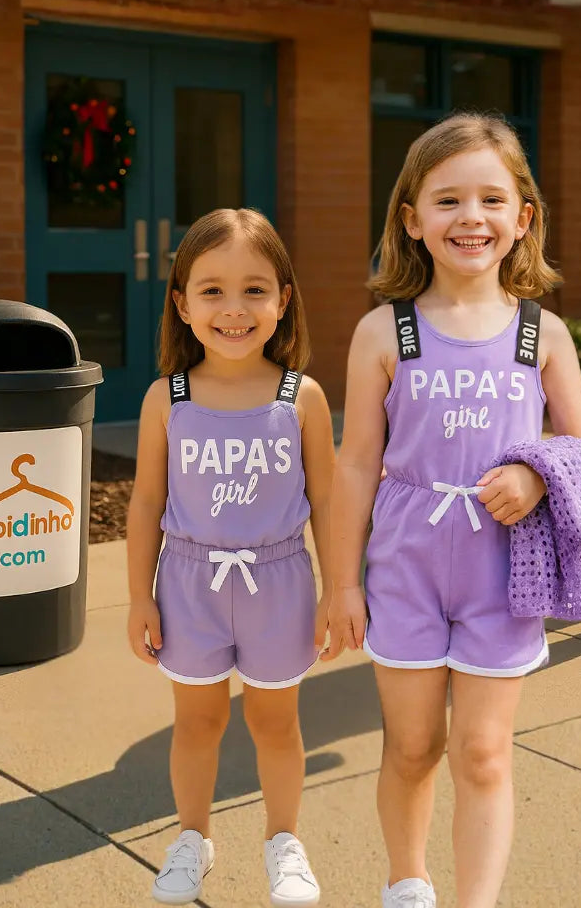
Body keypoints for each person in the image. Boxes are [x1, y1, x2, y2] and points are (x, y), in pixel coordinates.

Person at [323, 113, 581, 908]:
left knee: (482, 753)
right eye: (446, 201)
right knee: (412, 748)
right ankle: (407, 883)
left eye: (490, 199)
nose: (469, 218)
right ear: (411, 220)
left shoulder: (540, 335)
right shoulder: (385, 331)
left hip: (501, 572)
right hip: (405, 569)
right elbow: (354, 464)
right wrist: (341, 583)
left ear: (523, 218)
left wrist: (540, 480)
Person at [126, 208, 334, 907]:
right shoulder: (168, 398)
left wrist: (340, 590)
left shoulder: (300, 396)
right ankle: (192, 837)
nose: (235, 309)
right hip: (189, 585)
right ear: (181, 303)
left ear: (283, 299)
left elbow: (330, 503)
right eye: (212, 290)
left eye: (255, 289)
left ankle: (284, 839)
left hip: (279, 582)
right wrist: (137, 596)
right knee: (199, 722)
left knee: (276, 723)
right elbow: (146, 503)